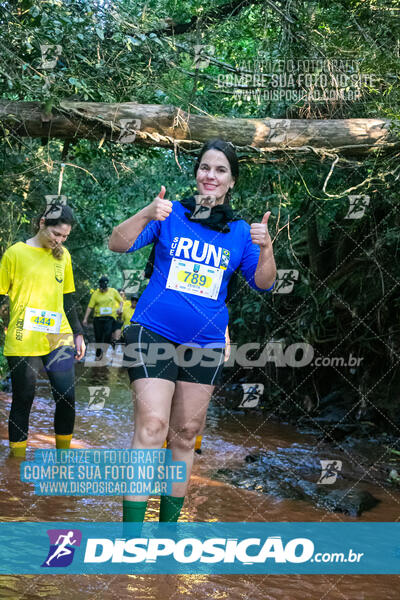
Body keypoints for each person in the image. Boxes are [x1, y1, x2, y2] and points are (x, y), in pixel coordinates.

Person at [109, 139, 276, 522]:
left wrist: (266, 248)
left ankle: (167, 535)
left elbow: (265, 283)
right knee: (152, 427)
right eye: (205, 167)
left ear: (232, 181)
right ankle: (132, 537)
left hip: (206, 343)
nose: (210, 176)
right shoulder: (170, 214)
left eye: (220, 170)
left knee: (185, 433)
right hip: (152, 331)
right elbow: (117, 243)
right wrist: (147, 213)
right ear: (196, 173)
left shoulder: (238, 233)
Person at [0, 204, 85, 458]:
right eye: (56, 234)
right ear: (42, 223)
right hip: (22, 337)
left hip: (58, 336)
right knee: (23, 399)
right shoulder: (15, 253)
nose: (59, 241)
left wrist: (79, 333)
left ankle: (63, 460)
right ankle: (16, 463)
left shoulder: (64, 256)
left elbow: (68, 298)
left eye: (64, 237)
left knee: (67, 396)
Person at [82, 277, 123, 360]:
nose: (102, 289)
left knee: (108, 334)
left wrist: (120, 308)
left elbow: (121, 301)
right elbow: (90, 307)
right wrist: (85, 318)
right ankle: (98, 354)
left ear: (107, 286)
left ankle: (104, 352)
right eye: (101, 287)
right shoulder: (96, 293)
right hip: (98, 318)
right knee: (98, 336)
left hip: (110, 317)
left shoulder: (113, 291)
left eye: (104, 288)